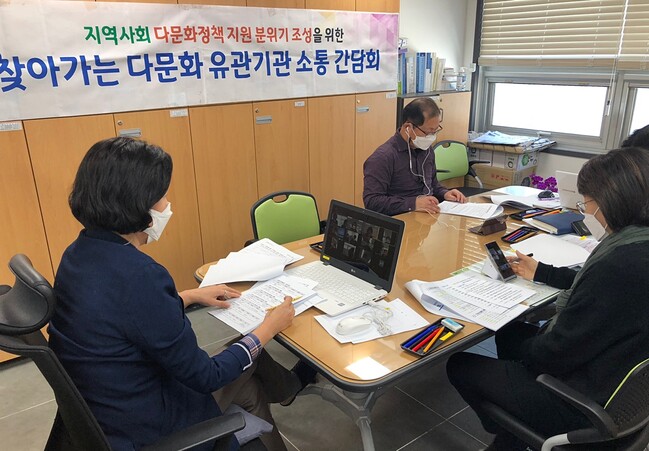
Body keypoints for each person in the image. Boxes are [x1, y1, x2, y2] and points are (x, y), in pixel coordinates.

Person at [48, 137, 316, 451]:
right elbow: (206, 376)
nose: (167, 204)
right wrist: (269, 327)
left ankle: (288, 389)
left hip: (108, 408)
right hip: (147, 425)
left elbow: (121, 314)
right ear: (138, 203)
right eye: (162, 196)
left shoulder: (78, 253)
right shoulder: (141, 274)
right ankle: (289, 388)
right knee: (249, 350)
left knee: (250, 389)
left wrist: (187, 296)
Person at [446, 146, 649, 450]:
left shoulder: (620, 266)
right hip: (621, 381)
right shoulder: (636, 247)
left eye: (586, 203)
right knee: (511, 332)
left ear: (609, 201)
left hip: (583, 400)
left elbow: (556, 351)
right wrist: (542, 272)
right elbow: (594, 291)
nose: (585, 212)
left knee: (460, 365)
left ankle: (514, 428)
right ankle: (515, 420)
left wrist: (527, 350)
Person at [363, 97, 467, 216]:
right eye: (428, 132)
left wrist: (445, 193)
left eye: (435, 131)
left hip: (427, 217)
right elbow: (372, 202)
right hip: (401, 220)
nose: (432, 137)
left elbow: (432, 185)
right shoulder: (383, 157)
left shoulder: (427, 150)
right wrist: (413, 204)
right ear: (408, 128)